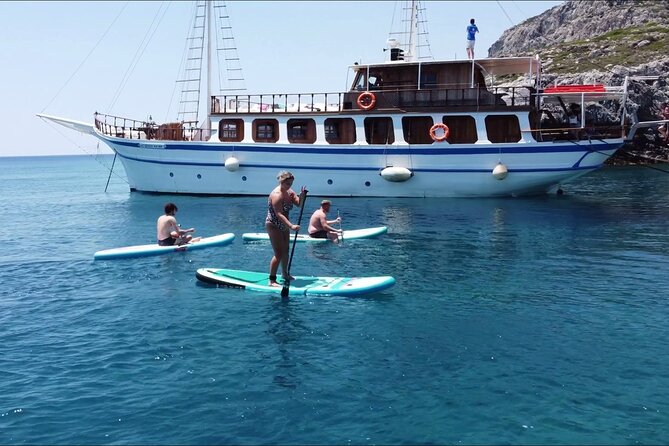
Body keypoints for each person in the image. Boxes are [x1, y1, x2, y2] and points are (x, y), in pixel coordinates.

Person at [265, 170, 306, 287]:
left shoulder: (289, 192)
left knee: (286, 251)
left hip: (284, 224)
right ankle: (272, 280)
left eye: (291, 184)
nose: (290, 186)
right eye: (288, 184)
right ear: (281, 182)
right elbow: (279, 214)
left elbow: (299, 204)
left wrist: (302, 196)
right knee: (278, 253)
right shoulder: (276, 195)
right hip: (273, 224)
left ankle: (284, 274)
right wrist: (291, 226)